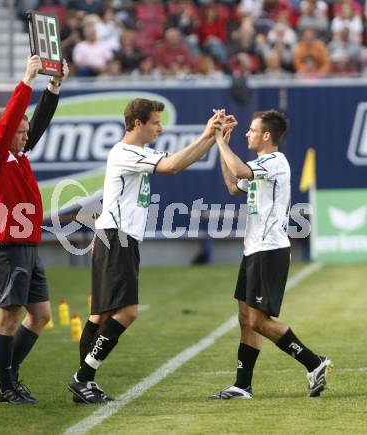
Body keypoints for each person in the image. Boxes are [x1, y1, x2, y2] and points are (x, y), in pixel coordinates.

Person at [67, 98, 222, 404]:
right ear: (137, 124)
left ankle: (84, 383)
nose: (160, 128)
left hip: (115, 237)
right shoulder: (126, 152)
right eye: (155, 123)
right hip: (117, 238)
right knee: (127, 312)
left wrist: (213, 138)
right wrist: (207, 135)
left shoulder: (137, 152)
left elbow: (178, 162)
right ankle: (82, 378)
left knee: (101, 314)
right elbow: (174, 166)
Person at [210, 109, 332, 400]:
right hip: (254, 249)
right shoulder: (261, 164)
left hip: (269, 250)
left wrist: (220, 141)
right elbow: (232, 185)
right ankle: (242, 385)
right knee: (245, 317)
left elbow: (240, 171)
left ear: (267, 135)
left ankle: (315, 363)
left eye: (252, 130)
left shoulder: (274, 162)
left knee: (259, 322)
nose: (247, 134)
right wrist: (221, 143)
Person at [0, 55, 68, 404]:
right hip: (7, 245)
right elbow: (13, 120)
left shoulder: (18, 155)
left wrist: (53, 88)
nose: (27, 137)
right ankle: (6, 385)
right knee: (9, 318)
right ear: (5, 133)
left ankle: (7, 379)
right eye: (21, 132)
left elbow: (36, 123)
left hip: (27, 244)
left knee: (40, 315)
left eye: (27, 133)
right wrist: (26, 80)